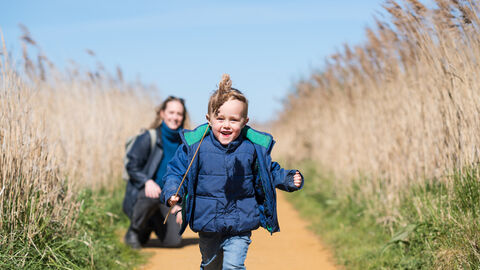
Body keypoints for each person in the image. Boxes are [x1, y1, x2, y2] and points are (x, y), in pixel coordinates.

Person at [161, 74, 304, 269]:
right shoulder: (196, 146)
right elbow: (176, 172)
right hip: (207, 222)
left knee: (233, 267)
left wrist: (287, 179)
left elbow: (269, 171)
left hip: (240, 222)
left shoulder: (251, 147)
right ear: (209, 119)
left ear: (245, 121)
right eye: (220, 118)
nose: (226, 125)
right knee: (210, 265)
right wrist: (173, 191)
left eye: (234, 120)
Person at [123, 96, 189, 249]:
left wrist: (180, 204)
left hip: (167, 201)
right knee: (151, 192)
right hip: (144, 196)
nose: (175, 117)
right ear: (162, 113)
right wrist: (147, 181)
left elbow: (186, 177)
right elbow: (132, 166)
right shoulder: (148, 137)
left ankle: (150, 225)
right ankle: (135, 229)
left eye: (179, 114)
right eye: (171, 112)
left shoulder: (185, 142)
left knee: (174, 242)